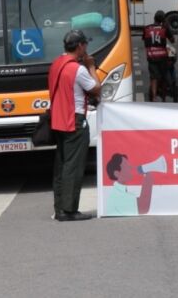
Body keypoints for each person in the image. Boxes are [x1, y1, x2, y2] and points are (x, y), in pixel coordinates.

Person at [48, 30, 100, 222]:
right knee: (74, 166)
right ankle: (69, 210)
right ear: (79, 46)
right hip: (74, 121)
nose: (86, 47)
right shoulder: (78, 69)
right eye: (85, 44)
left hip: (58, 120)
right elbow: (96, 87)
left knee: (61, 166)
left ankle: (60, 208)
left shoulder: (56, 64)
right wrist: (91, 66)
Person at [143, 10, 175, 102]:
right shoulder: (164, 28)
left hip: (151, 57)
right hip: (162, 57)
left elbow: (145, 41)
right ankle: (164, 97)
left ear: (154, 18)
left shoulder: (147, 28)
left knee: (153, 77)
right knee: (163, 76)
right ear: (163, 20)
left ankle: (153, 97)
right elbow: (172, 40)